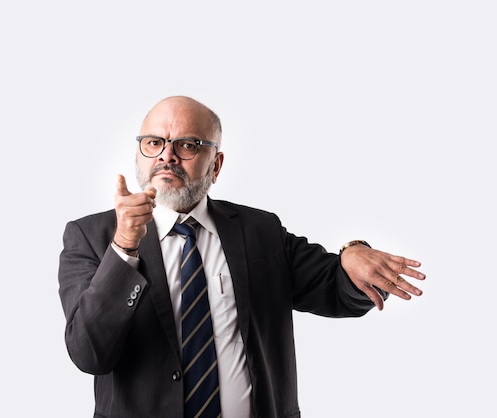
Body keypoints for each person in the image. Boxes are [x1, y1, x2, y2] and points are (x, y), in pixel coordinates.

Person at [57, 96, 425, 418]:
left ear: (215, 165)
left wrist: (354, 253)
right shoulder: (91, 237)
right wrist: (124, 249)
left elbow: (336, 287)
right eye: (154, 143)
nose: (167, 157)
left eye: (187, 145)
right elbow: (89, 354)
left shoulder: (259, 231)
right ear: (139, 154)